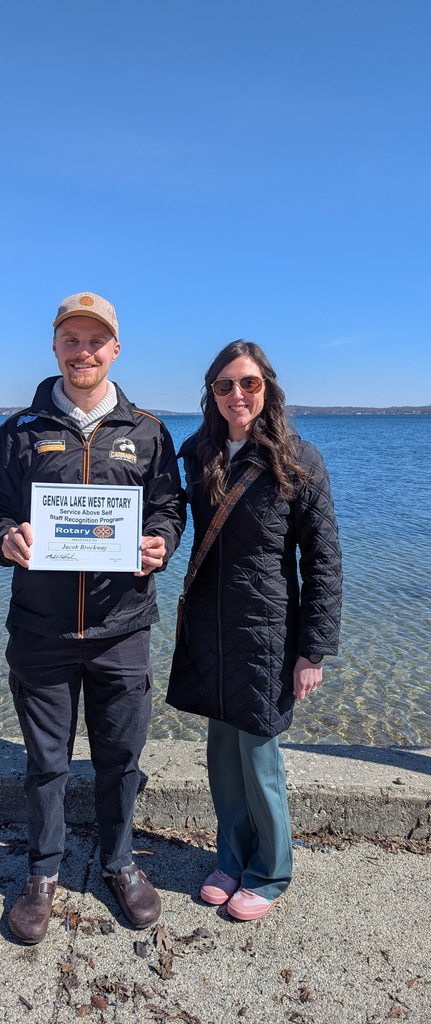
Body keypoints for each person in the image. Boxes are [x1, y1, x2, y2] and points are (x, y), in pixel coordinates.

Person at [0, 292, 185, 942]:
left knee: (121, 759)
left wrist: (161, 541)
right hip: (41, 630)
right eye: (72, 339)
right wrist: (4, 537)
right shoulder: (20, 430)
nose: (83, 352)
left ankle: (120, 863)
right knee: (47, 763)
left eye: (96, 341)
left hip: (123, 628)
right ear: (55, 346)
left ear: (115, 349)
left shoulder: (147, 431)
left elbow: (169, 507)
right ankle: (43, 872)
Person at [167, 340, 342, 921]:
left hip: (268, 629)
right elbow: (167, 513)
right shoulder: (199, 452)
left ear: (268, 387)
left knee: (259, 755)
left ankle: (270, 870)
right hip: (210, 625)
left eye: (249, 383)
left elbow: (323, 560)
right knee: (221, 755)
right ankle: (231, 857)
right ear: (211, 394)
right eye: (224, 385)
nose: (237, 395)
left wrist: (313, 650)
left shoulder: (299, 458)